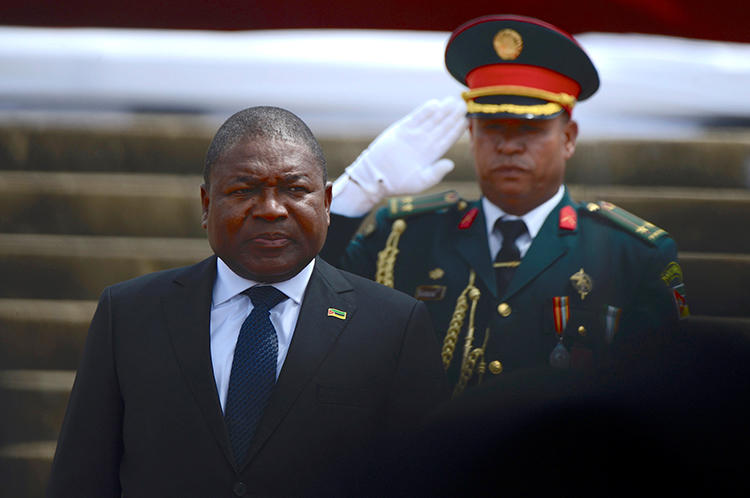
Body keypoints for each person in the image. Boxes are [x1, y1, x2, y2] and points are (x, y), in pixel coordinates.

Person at [47, 106, 446, 497]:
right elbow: (81, 477)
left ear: (326, 203)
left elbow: (422, 480)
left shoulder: (393, 325)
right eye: (243, 191)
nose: (271, 209)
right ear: (206, 205)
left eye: (295, 189)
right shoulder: (130, 314)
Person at [322, 15, 689, 395]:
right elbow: (311, 296)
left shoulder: (630, 253)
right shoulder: (403, 236)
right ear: (471, 133)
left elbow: (664, 390)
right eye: (493, 125)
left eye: (530, 128)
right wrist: (356, 191)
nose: (509, 145)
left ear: (568, 138)